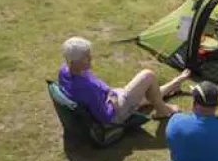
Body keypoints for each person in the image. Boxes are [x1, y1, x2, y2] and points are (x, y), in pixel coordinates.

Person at [57, 36, 190, 124]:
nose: (91, 58)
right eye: (86, 57)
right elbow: (105, 117)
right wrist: (113, 100)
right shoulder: (86, 88)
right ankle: (163, 110)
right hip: (115, 112)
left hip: (109, 96)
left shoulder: (65, 70)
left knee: (146, 94)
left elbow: (96, 83)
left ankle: (174, 84)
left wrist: (109, 91)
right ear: (74, 62)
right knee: (147, 75)